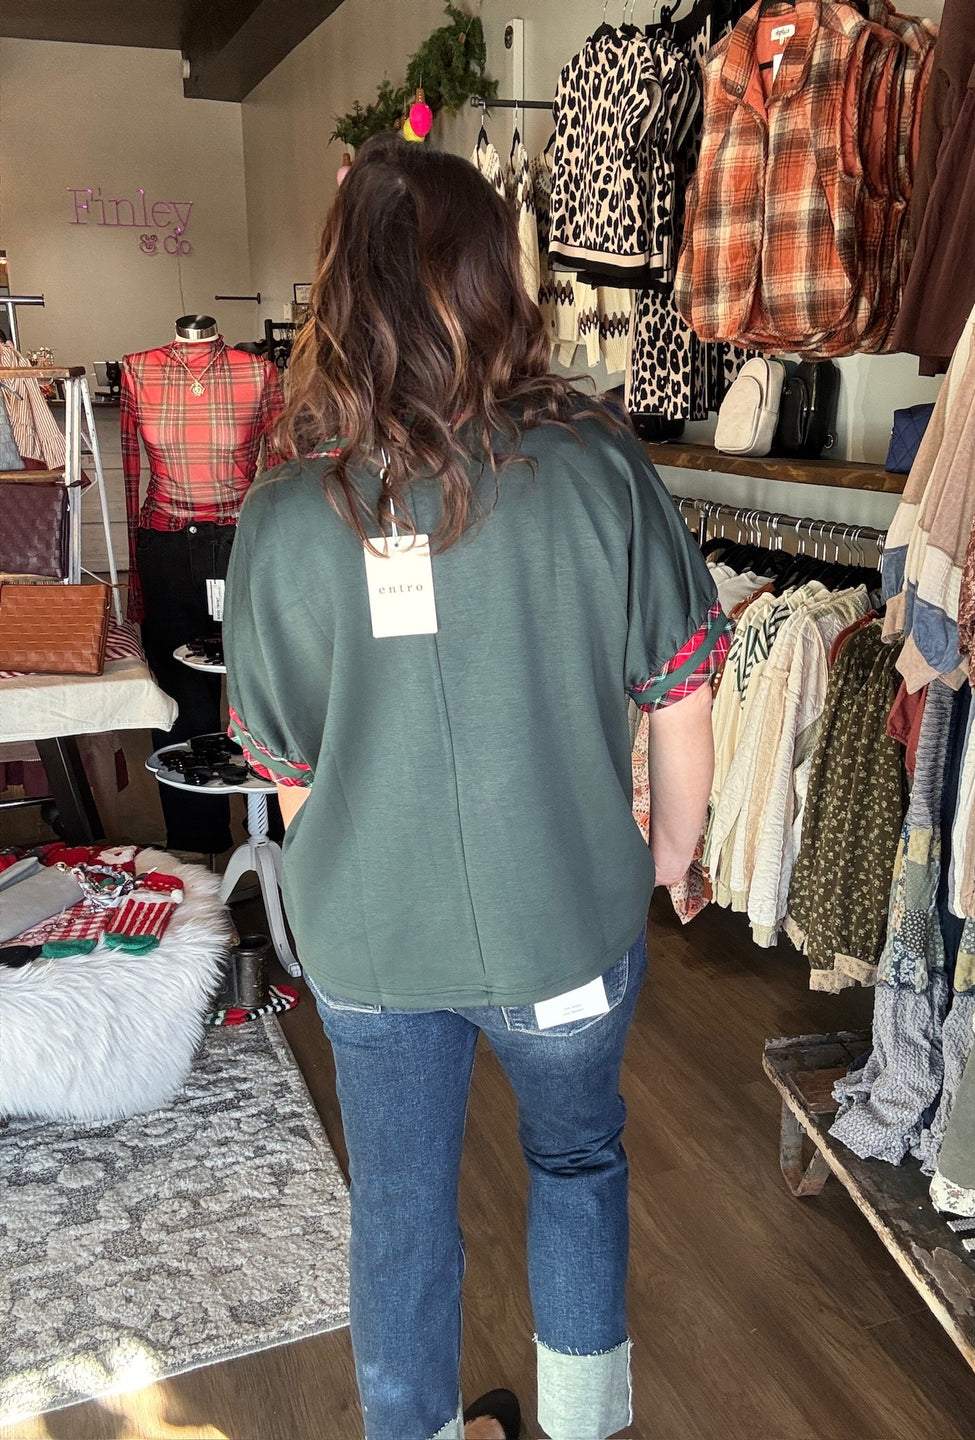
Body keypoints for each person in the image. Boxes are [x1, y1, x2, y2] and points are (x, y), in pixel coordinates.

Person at [223, 135, 722, 1440]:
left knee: (396, 1212)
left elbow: (289, 782)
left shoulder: (281, 518)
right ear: (501, 280)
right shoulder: (601, 468)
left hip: (371, 950)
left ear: (336, 295)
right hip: (564, 919)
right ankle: (581, 1427)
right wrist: (674, 856)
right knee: (575, 1165)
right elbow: (682, 695)